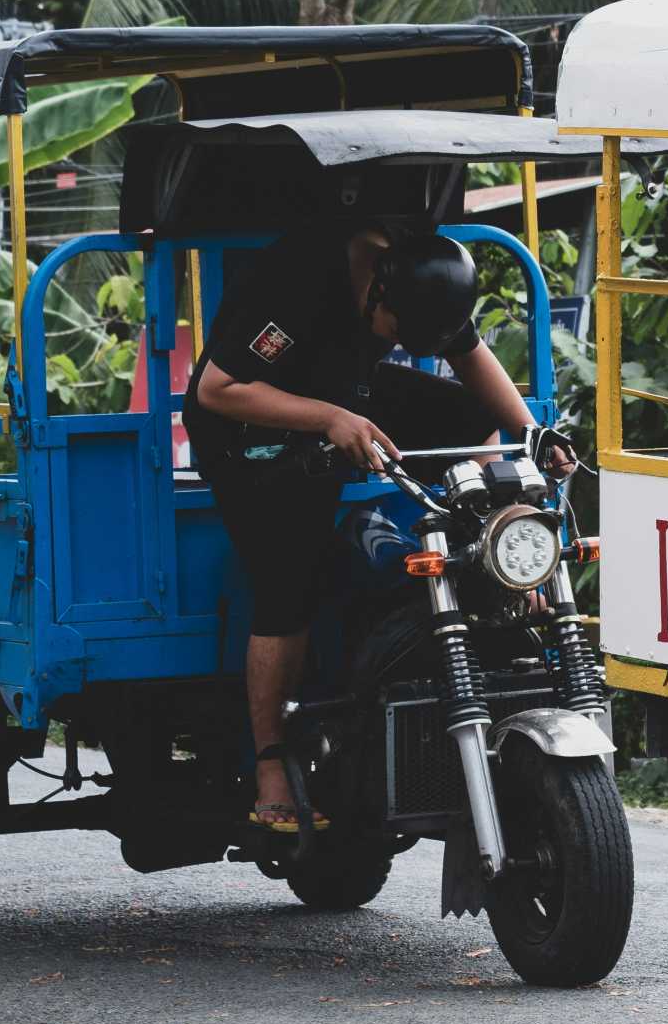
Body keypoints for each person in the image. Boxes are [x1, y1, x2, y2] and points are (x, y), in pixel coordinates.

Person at [183, 219, 573, 831]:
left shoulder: (422, 276)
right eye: (397, 334)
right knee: (291, 579)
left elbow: (471, 359)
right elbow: (217, 388)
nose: (403, 343)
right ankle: (271, 765)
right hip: (248, 429)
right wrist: (329, 420)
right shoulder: (298, 282)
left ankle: (502, 564)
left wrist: (534, 434)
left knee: (478, 424)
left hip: (343, 390)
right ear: (376, 295)